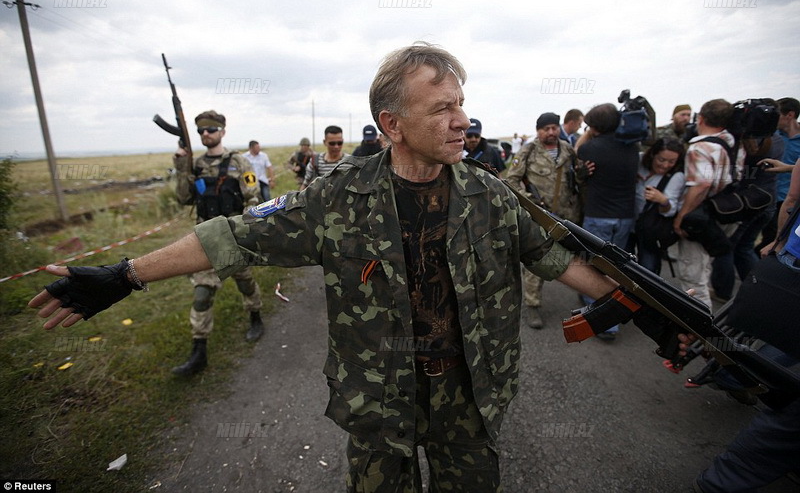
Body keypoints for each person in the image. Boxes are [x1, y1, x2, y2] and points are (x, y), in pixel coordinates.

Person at [30, 43, 627, 492]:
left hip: (468, 397)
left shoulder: (492, 196)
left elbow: (555, 259)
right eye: (442, 108)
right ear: (392, 124)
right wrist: (124, 274)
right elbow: (230, 238)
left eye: (462, 105)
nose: (461, 120)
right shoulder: (337, 198)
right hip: (378, 402)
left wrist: (633, 306)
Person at [689, 157, 800, 493]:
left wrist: (779, 242)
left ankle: (731, 373)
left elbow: (793, 201)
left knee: (776, 337)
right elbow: (792, 200)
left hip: (791, 259)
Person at [170, 110, 265, 376]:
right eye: (201, 131)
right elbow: (183, 199)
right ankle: (199, 351)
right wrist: (181, 167)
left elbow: (253, 198)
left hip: (233, 237)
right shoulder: (195, 164)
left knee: (245, 283)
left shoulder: (240, 162)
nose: (205, 134)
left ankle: (255, 317)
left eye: (210, 129)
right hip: (206, 239)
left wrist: (247, 231)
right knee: (202, 294)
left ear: (222, 131)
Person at [506, 112, 582, 328]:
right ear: (538, 130)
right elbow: (511, 180)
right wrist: (531, 202)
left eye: (554, 128)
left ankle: (587, 292)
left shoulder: (567, 150)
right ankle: (533, 306)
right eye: (546, 128)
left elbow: (575, 180)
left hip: (567, 217)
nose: (551, 132)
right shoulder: (528, 151)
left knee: (576, 260)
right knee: (536, 261)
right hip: (540, 217)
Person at [576, 103, 640, 340]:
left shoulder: (590, 148)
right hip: (624, 216)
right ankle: (616, 310)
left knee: (595, 266)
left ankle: (604, 321)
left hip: (598, 216)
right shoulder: (632, 147)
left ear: (593, 126)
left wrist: (589, 133)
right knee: (618, 266)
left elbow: (577, 149)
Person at [673, 99, 744, 309]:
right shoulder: (733, 143)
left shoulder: (701, 147)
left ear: (701, 118)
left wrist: (681, 216)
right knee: (704, 266)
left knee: (692, 274)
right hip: (726, 210)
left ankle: (699, 326)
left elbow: (702, 183)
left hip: (701, 216)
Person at [709, 131, 784, 301]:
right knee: (744, 248)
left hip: (746, 205)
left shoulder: (747, 142)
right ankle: (760, 290)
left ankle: (723, 291)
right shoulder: (777, 138)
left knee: (726, 247)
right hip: (766, 202)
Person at [633, 137, 686, 275]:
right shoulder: (638, 161)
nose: (665, 165)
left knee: (648, 267)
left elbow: (670, 210)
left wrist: (663, 200)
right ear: (652, 154)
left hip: (649, 229)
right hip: (628, 221)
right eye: (661, 160)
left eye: (671, 162)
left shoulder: (676, 176)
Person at [754, 97, 800, 254]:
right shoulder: (772, 137)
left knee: (773, 245)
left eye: (777, 114)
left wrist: (788, 169)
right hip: (770, 197)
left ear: (790, 115)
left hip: (789, 202)